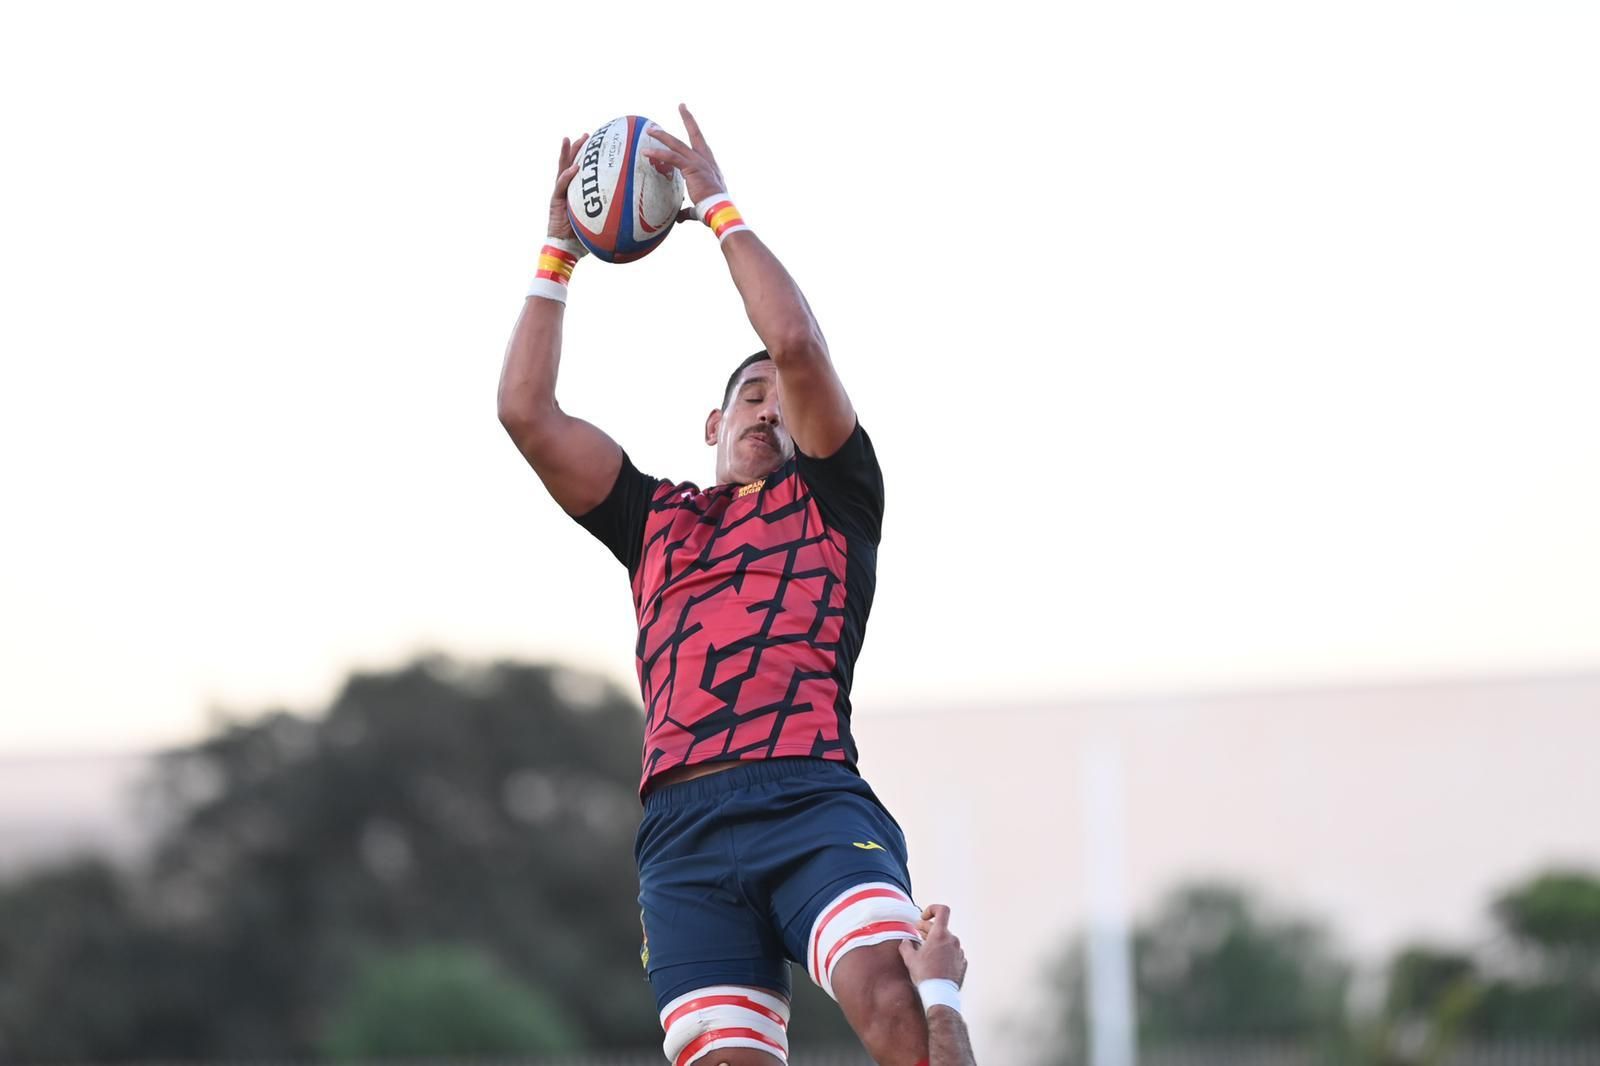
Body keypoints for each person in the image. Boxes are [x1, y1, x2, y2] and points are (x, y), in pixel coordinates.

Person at [498, 105, 931, 1066]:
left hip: (810, 799)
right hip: (682, 836)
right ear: (711, 422)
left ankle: (932, 1008)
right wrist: (557, 252)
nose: (768, 408)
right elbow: (526, 413)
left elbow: (800, 346)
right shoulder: (656, 520)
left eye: (779, 397)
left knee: (898, 1009)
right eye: (749, 394)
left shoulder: (837, 495)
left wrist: (718, 209)